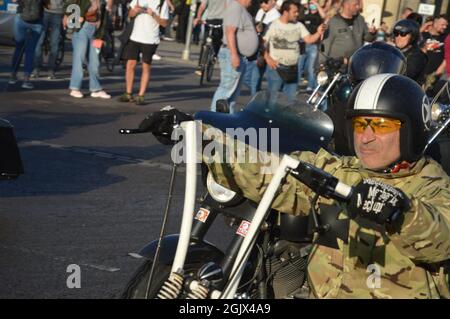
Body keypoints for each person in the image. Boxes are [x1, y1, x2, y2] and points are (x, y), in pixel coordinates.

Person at [145, 74, 450, 299]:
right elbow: (270, 169)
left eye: (381, 125)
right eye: (360, 124)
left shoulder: (434, 187)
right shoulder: (341, 171)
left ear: (412, 130)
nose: (366, 137)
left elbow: (441, 238)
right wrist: (199, 136)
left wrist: (401, 213)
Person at [329, 42, 407, 156]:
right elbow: (318, 131)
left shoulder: (403, 115)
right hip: (343, 169)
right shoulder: (340, 110)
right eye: (364, 84)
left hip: (386, 171)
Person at [263, 0, 325, 101]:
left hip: (293, 69)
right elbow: (262, 43)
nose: (297, 14)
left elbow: (309, 39)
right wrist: (267, 58)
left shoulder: (298, 25)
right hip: (276, 69)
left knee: (289, 101)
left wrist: (318, 32)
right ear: (285, 12)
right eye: (294, 12)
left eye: (297, 12)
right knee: (272, 100)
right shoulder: (273, 25)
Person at [210, 0, 258, 113]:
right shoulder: (235, 7)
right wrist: (234, 55)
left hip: (239, 55)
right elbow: (230, 31)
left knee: (232, 95)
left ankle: (226, 120)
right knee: (226, 90)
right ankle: (213, 118)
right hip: (232, 53)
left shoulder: (240, 9)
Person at [118, 0, 169, 105]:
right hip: (135, 37)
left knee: (146, 66)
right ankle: (128, 93)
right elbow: (130, 15)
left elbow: (164, 23)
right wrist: (134, 11)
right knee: (130, 64)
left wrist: (153, 14)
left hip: (150, 39)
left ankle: (141, 95)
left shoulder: (162, 3)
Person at [63, 0, 111, 99]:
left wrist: (101, 35)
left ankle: (95, 89)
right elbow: (67, 6)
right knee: (79, 59)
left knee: (95, 61)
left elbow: (104, 17)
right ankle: (75, 88)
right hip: (82, 29)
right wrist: (75, 18)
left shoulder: (102, 1)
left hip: (96, 33)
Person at [241, 0, 280, 96]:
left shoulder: (276, 16)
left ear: (273, 2)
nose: (263, 4)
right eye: (261, 2)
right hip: (257, 50)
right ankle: (259, 97)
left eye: (266, 2)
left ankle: (262, 100)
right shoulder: (260, 12)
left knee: (268, 81)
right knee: (248, 77)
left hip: (269, 52)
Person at [8, 0, 44, 90]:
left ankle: (13, 75)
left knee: (19, 48)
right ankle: (26, 80)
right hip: (37, 21)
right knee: (30, 51)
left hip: (21, 18)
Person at [31, 0, 64, 80]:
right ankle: (36, 68)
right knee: (38, 42)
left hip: (58, 13)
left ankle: (51, 70)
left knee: (55, 44)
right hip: (44, 12)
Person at [298, 0, 327, 92]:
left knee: (311, 67)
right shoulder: (305, 14)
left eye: (314, 4)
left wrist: (317, 5)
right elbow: (298, 17)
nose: (312, 6)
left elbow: (324, 16)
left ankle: (310, 86)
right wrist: (306, 6)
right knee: (299, 66)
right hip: (303, 44)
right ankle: (296, 86)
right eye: (311, 4)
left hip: (314, 45)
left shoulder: (318, 16)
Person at [193, 0, 229, 75]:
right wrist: (198, 17)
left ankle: (215, 55)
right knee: (204, 44)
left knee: (217, 41)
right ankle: (200, 65)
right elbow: (202, 6)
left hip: (221, 21)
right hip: (209, 20)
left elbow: (227, 8)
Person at [393, 19, 428, 86]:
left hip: (407, 92)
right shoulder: (393, 51)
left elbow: (406, 75)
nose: (399, 37)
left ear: (413, 36)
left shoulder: (418, 56)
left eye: (403, 34)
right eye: (396, 33)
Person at [422, 15, 449, 90]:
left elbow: (446, 58)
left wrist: (437, 73)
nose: (445, 27)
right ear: (435, 23)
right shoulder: (423, 35)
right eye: (442, 24)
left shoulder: (445, 38)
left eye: (446, 25)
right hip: (420, 72)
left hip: (433, 74)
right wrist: (423, 27)